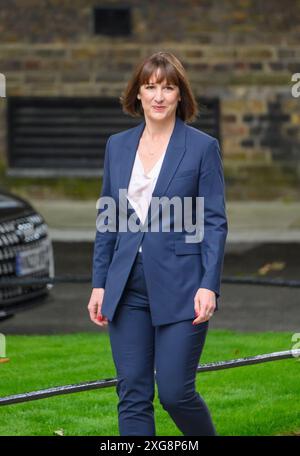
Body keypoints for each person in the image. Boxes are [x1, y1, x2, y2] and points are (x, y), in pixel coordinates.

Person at [88, 51, 228, 436]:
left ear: (181, 95)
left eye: (168, 87)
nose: (159, 96)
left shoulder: (201, 148)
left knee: (174, 393)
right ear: (137, 94)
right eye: (150, 87)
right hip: (126, 287)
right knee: (132, 392)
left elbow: (214, 222)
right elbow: (108, 219)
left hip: (183, 287)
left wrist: (208, 284)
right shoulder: (117, 146)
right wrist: (100, 282)